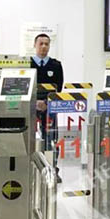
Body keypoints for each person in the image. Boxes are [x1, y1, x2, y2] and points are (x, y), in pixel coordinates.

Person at [31, 33, 64, 182]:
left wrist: (45, 102)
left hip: (49, 108)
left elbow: (58, 88)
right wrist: (35, 102)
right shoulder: (27, 64)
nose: (44, 46)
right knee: (30, 138)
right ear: (35, 45)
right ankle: (33, 169)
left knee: (51, 138)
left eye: (46, 44)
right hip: (30, 107)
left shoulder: (55, 65)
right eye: (41, 43)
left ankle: (53, 169)